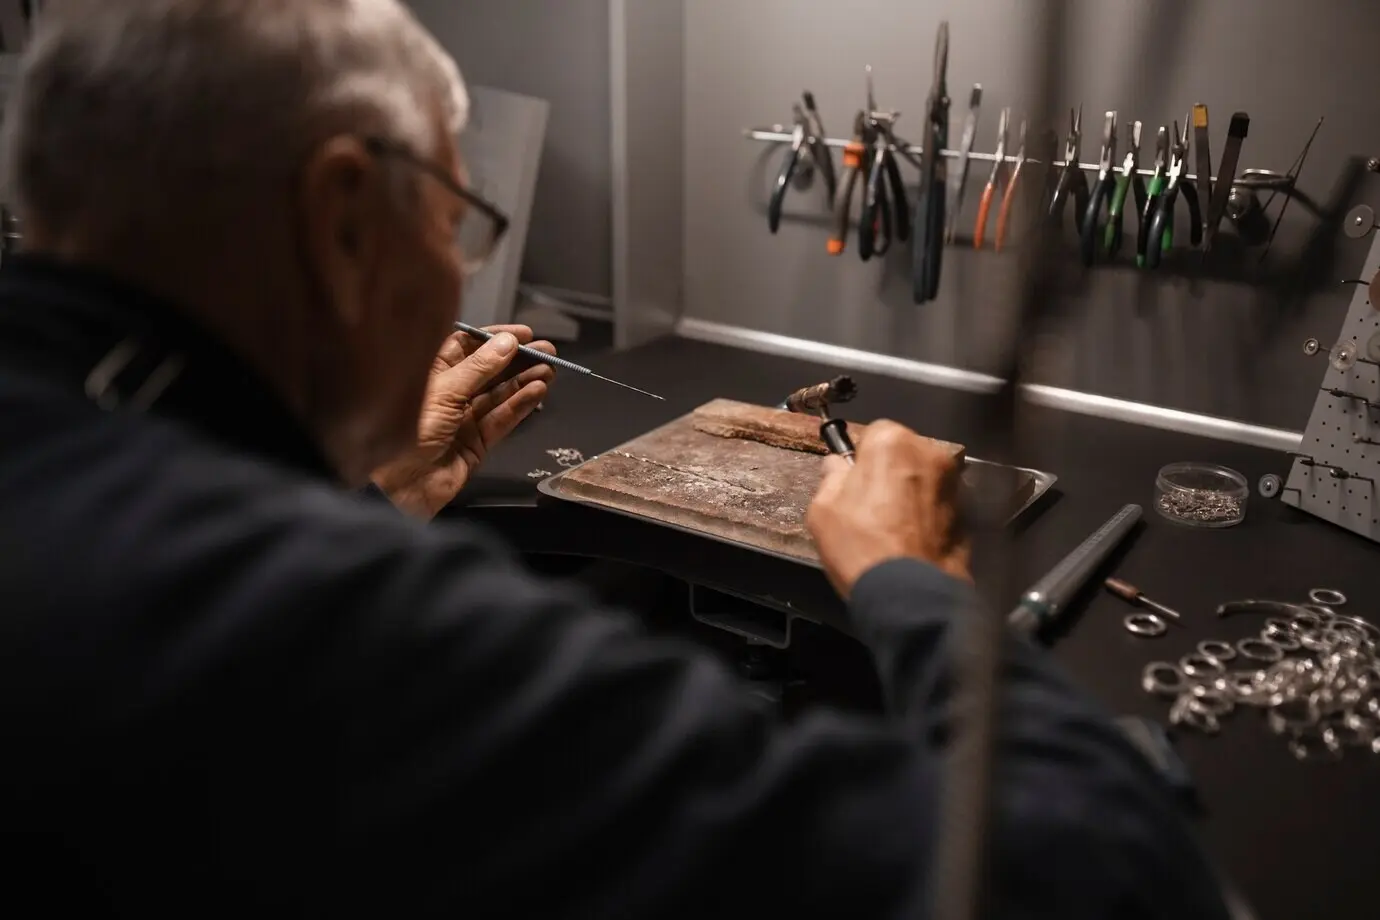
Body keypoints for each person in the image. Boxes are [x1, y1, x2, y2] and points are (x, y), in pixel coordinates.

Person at [0, 2, 1231, 917]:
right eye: (456, 224)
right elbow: (1093, 879)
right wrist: (917, 581)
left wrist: (368, 495)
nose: (459, 281)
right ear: (343, 223)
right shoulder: (334, 628)